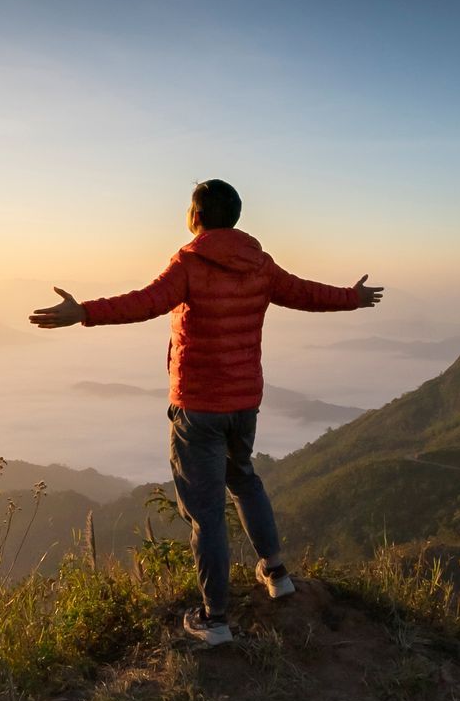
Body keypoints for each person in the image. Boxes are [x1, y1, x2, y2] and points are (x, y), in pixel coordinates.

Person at [28, 180, 384, 646]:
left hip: (197, 406)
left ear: (195, 216)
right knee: (245, 480)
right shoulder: (260, 264)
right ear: (234, 217)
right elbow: (306, 293)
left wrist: (84, 312)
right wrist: (351, 298)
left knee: (207, 514)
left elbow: (145, 302)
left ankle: (215, 620)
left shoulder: (190, 263)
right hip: (244, 401)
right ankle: (276, 575)